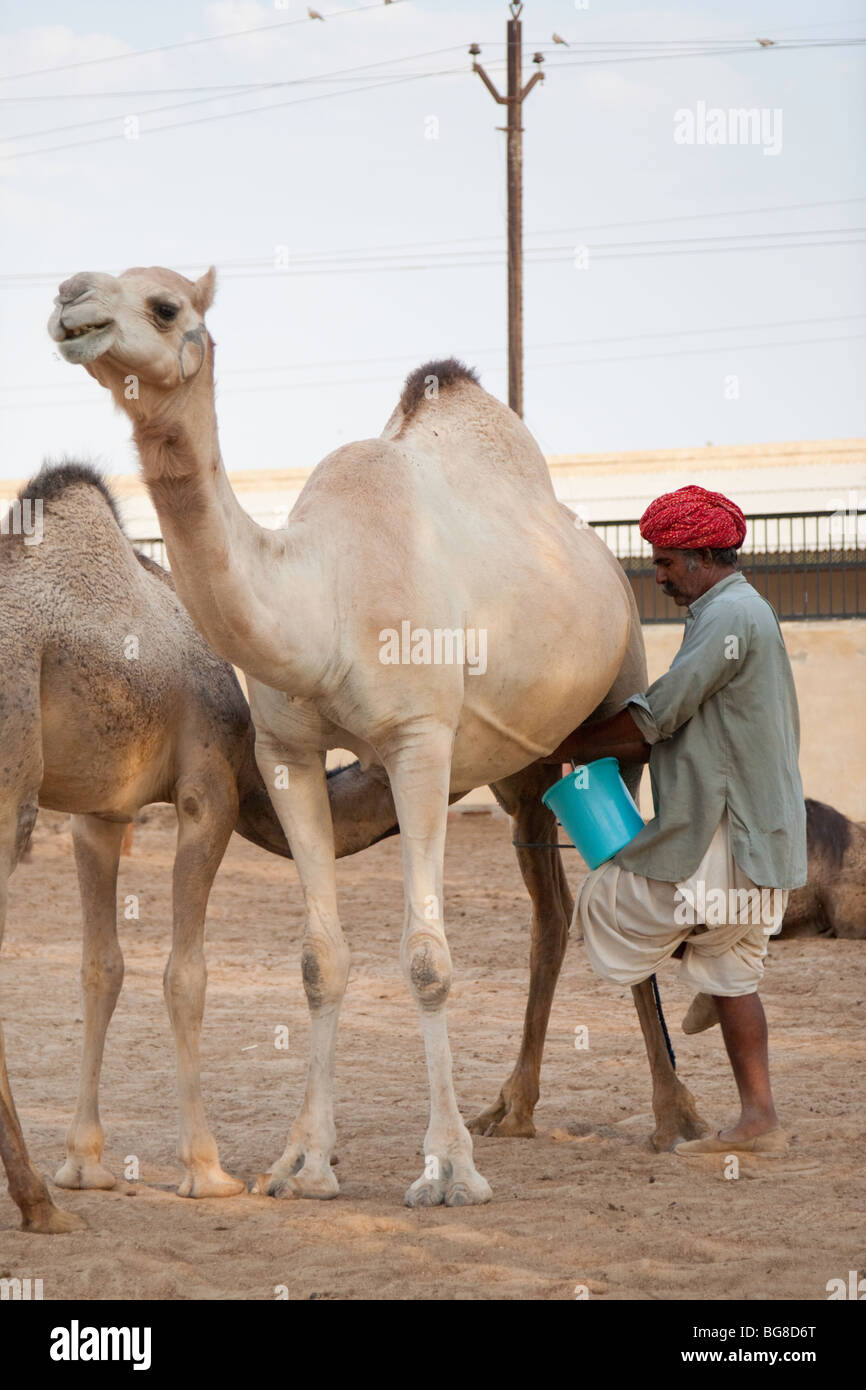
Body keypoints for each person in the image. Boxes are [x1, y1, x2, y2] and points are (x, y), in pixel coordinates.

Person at [545, 485, 807, 1154]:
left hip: (726, 835)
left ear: (699, 556)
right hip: (759, 839)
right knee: (731, 975)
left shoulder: (728, 619)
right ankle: (760, 1122)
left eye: (664, 562)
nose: (656, 575)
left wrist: (562, 744)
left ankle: (695, 944)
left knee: (604, 901)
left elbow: (654, 719)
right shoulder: (740, 611)